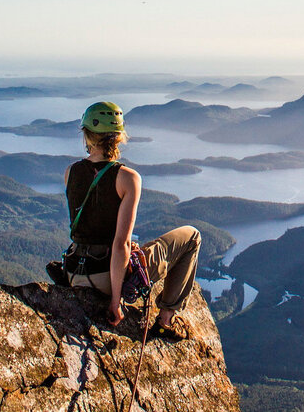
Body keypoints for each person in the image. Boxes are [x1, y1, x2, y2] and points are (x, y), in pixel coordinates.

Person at [63, 101, 201, 340]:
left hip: (74, 273)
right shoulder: (127, 178)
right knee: (192, 236)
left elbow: (90, 225)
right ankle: (166, 320)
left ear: (86, 134)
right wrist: (116, 302)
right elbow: (120, 244)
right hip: (104, 278)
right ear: (119, 137)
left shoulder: (70, 172)